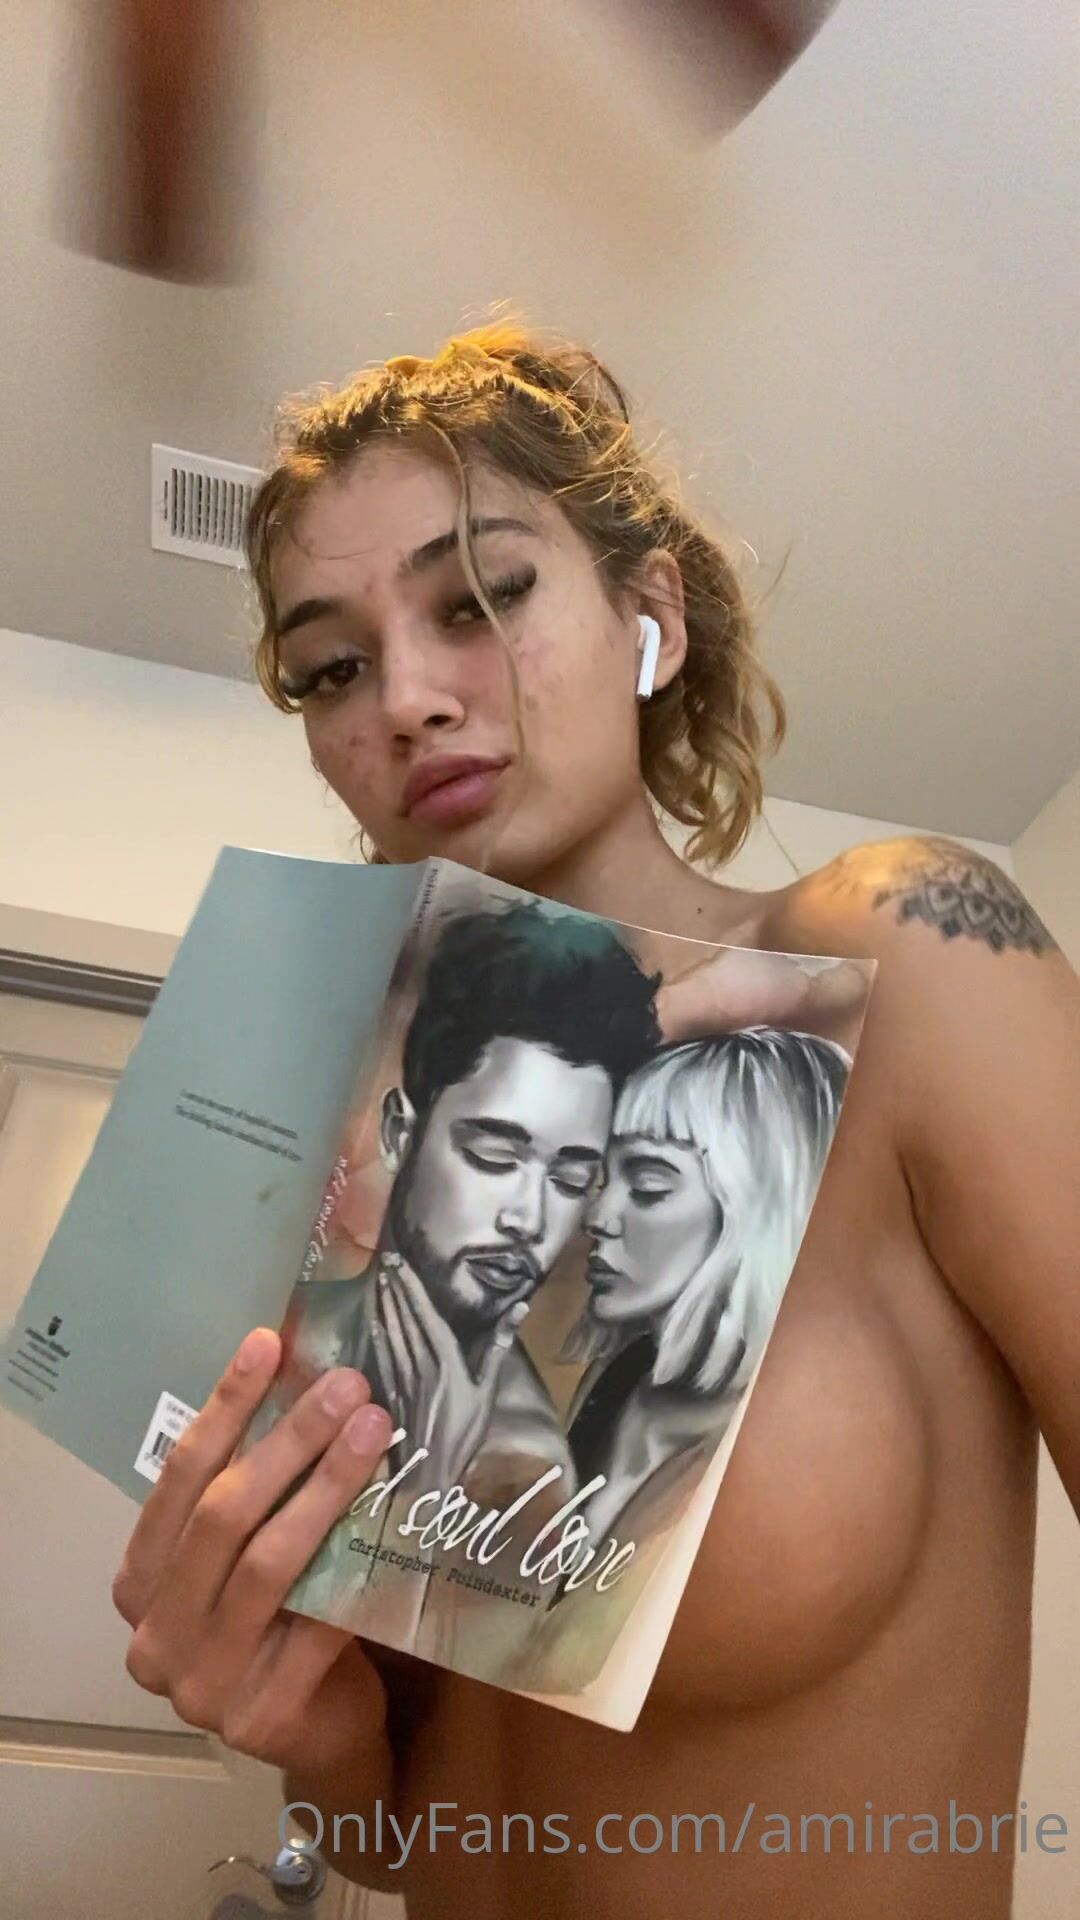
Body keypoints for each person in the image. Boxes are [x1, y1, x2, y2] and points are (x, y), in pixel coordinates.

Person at [113, 322, 1080, 1920]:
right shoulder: (372, 1169)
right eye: (334, 667)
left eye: (482, 597)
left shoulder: (907, 961)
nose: (407, 700)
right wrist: (318, 1737)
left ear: (652, 617)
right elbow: (410, 1834)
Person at [260, 898, 661, 1514]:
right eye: (495, 1155)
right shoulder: (270, 1321)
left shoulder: (528, 1469)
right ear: (399, 1133)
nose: (528, 1219)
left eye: (571, 1178)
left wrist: (431, 1479)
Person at [565, 1028, 851, 1552]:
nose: (597, 1216)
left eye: (648, 1186)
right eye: (604, 1181)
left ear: (756, 1208)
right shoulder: (620, 1377)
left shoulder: (784, 1440)